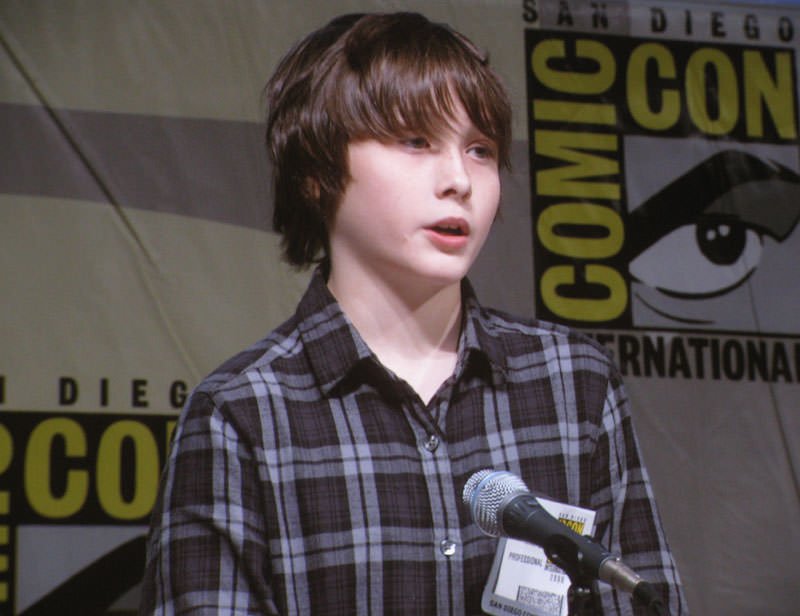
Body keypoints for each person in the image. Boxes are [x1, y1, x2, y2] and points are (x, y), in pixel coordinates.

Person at [139, 12, 687, 616]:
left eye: (480, 150)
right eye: (416, 141)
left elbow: (646, 596)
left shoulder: (571, 382)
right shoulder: (242, 415)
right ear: (317, 173)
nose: (458, 180)